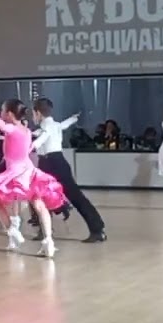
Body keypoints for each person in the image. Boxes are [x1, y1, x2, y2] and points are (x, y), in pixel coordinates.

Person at [0, 101, 66, 258]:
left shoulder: (13, 129)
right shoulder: (26, 130)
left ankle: (12, 231)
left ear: (9, 114)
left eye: (2, 110)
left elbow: (3, 127)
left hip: (16, 172)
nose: (1, 112)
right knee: (38, 204)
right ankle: (48, 242)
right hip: (28, 170)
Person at [32, 98, 105, 243]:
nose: (33, 117)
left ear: (38, 113)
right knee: (42, 196)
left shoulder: (48, 126)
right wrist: (73, 118)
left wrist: (31, 145)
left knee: (45, 196)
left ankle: (95, 229)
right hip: (54, 162)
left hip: (52, 162)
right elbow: (63, 125)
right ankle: (96, 229)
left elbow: (41, 137)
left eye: (33, 113)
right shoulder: (54, 125)